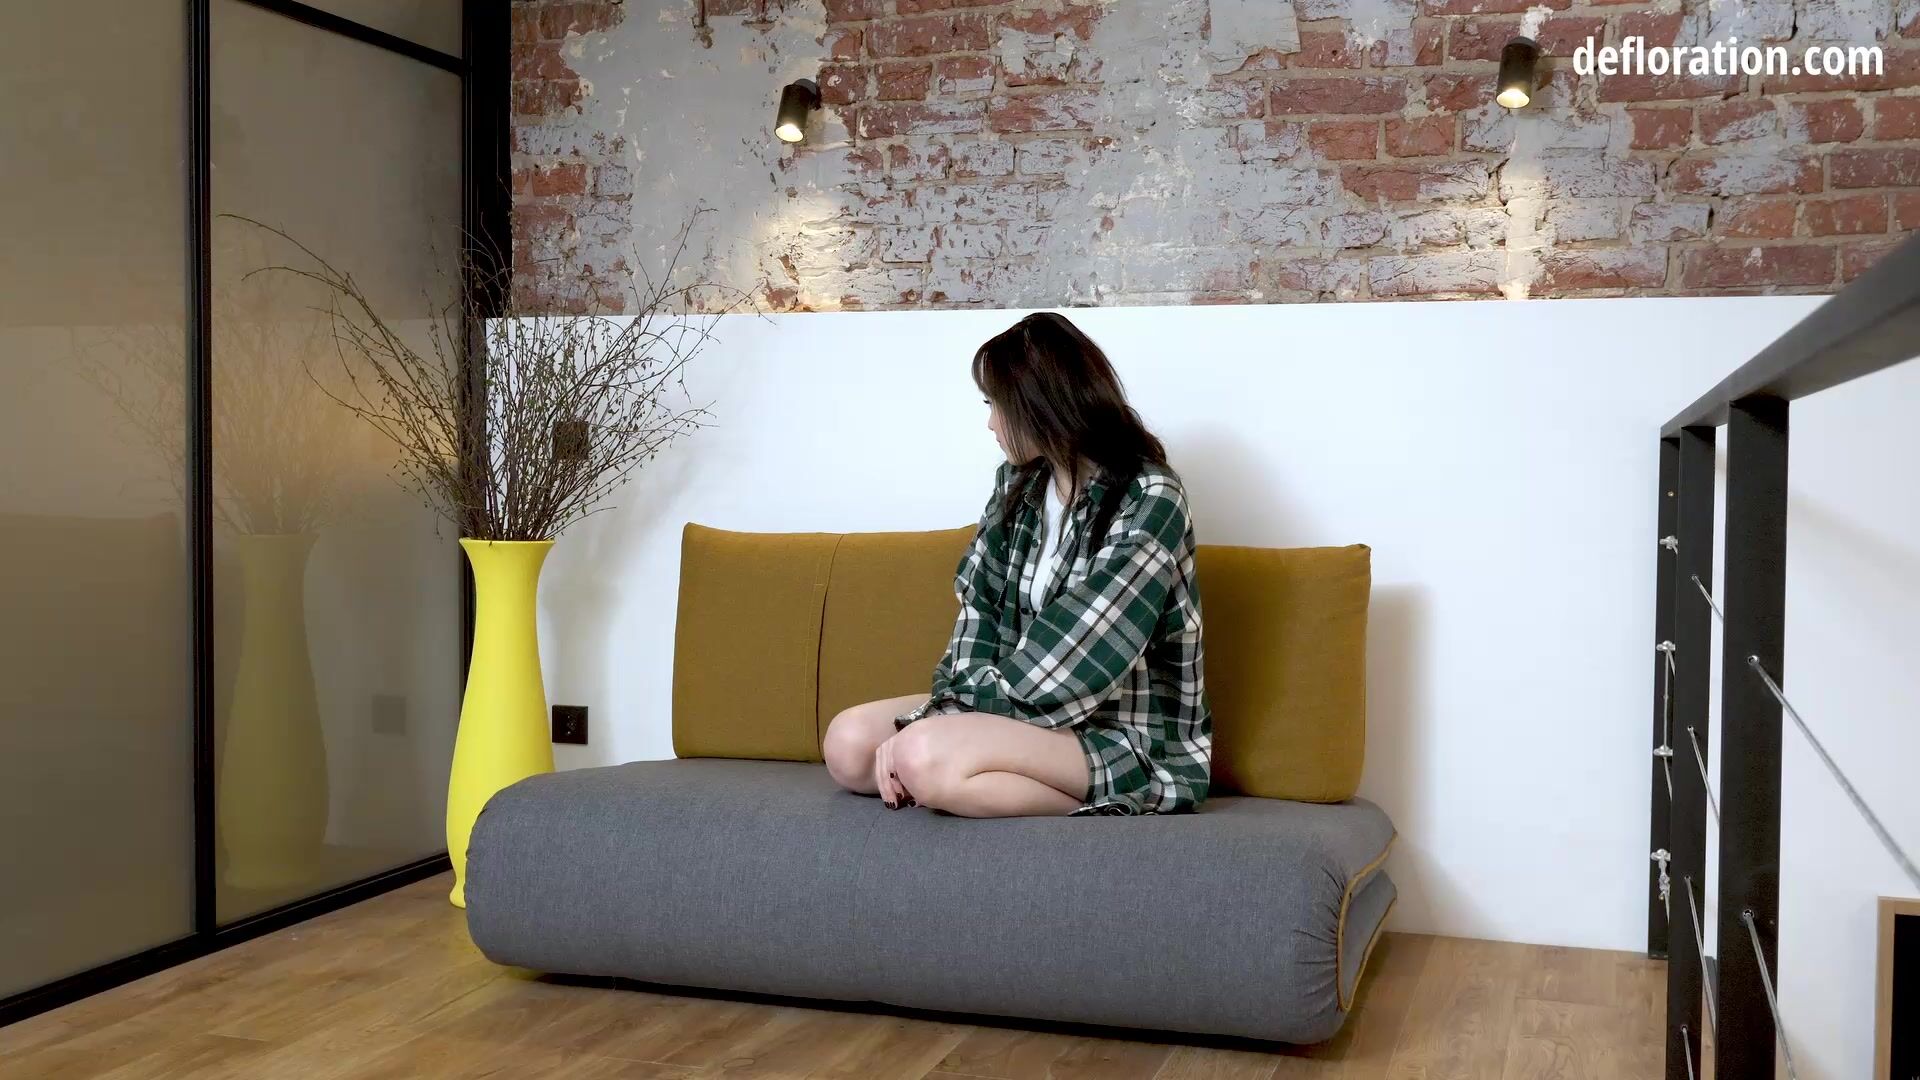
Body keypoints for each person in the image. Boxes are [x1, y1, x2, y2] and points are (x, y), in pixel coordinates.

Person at [821, 311, 1211, 818]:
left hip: (1119, 733)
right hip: (1015, 709)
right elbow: (978, 606)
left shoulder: (1151, 497)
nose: (991, 423)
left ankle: (1113, 804)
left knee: (920, 756)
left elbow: (1080, 657)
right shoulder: (1017, 484)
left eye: (997, 405)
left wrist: (945, 718)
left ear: (1041, 404)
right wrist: (951, 706)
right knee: (848, 744)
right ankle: (961, 774)